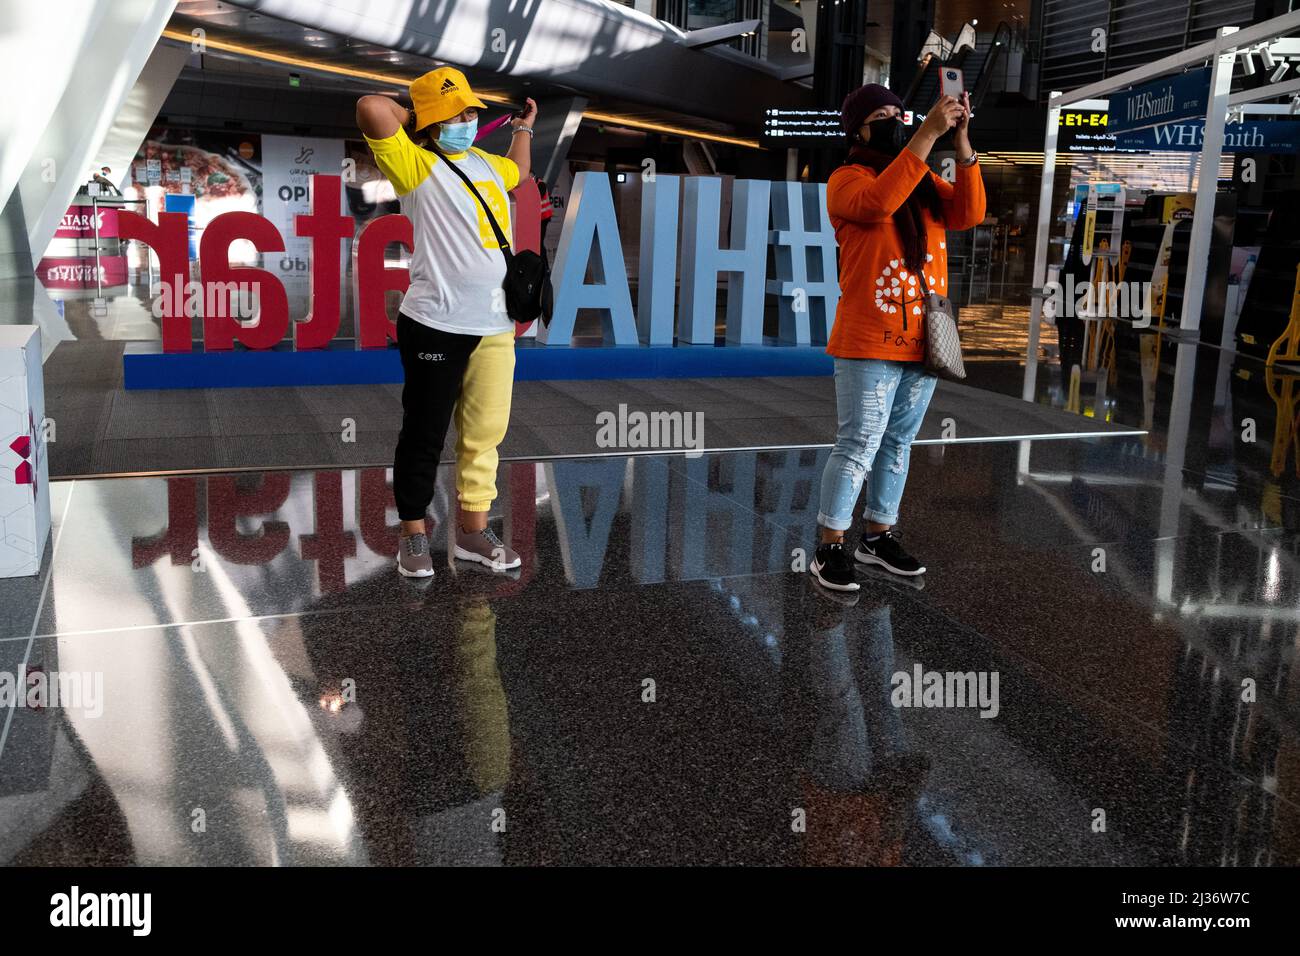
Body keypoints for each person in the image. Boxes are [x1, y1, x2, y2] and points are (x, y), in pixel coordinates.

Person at [355, 67, 538, 578]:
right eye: (458, 111)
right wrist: (424, 114)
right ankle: (414, 534)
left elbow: (519, 175)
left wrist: (523, 129)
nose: (469, 118)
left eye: (472, 110)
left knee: (485, 435)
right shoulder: (413, 164)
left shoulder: (484, 161)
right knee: (425, 432)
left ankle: (472, 534)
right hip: (435, 323)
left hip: (496, 326)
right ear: (435, 119)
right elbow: (372, 105)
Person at [810, 84, 985, 592]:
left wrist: (962, 144)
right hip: (869, 336)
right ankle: (830, 546)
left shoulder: (924, 178)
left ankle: (877, 536)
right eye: (881, 114)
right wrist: (928, 133)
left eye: (896, 112)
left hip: (925, 336)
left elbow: (969, 213)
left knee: (898, 442)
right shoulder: (847, 179)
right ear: (859, 128)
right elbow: (880, 203)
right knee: (859, 441)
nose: (892, 119)